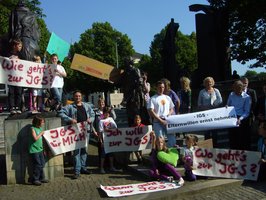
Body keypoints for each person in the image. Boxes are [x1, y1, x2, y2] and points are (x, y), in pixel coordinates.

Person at [58, 90, 95, 179]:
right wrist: (70, 119)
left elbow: (93, 114)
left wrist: (91, 119)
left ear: (81, 97)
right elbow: (60, 113)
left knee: (84, 151)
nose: (78, 97)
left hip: (86, 131)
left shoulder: (87, 106)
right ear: (73, 97)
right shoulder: (70, 107)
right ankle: (77, 171)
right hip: (75, 132)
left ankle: (83, 167)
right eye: (76, 96)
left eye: (79, 96)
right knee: (76, 152)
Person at [147, 80, 175, 148]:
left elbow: (172, 108)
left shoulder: (167, 97)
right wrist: (160, 120)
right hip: (158, 122)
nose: (161, 89)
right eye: (159, 87)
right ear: (156, 88)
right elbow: (151, 111)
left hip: (167, 121)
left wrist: (169, 114)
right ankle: (159, 154)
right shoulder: (153, 98)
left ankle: (167, 151)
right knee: (159, 140)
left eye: (162, 87)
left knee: (172, 140)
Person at [197, 76, 223, 145]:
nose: (209, 84)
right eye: (207, 82)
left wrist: (214, 104)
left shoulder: (216, 90)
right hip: (206, 115)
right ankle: (207, 151)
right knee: (207, 133)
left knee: (215, 133)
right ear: (204, 83)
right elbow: (199, 104)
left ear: (213, 83)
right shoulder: (201, 92)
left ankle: (215, 148)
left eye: (210, 82)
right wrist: (205, 108)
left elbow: (220, 101)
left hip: (214, 114)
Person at [227, 80, 251, 150]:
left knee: (241, 140)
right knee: (232, 139)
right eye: (235, 89)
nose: (237, 92)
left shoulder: (247, 97)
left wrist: (240, 119)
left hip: (241, 119)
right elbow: (228, 104)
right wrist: (226, 106)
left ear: (242, 88)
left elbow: (247, 111)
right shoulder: (231, 94)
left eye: (238, 90)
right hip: (232, 118)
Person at [94, 98, 116, 166]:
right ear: (98, 103)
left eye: (103, 102)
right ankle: (101, 164)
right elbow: (94, 123)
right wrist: (95, 131)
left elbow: (114, 118)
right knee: (101, 149)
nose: (101, 104)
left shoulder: (108, 110)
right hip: (100, 133)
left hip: (108, 134)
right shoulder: (96, 112)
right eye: (100, 102)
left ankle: (109, 164)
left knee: (109, 150)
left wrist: (112, 110)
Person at [28, 115, 49, 186]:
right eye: (42, 122)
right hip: (34, 150)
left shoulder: (40, 128)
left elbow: (41, 140)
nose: (43, 123)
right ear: (38, 122)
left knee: (42, 164)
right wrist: (41, 134)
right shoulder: (32, 128)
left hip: (40, 149)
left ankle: (41, 177)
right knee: (38, 164)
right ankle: (35, 179)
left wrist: (44, 149)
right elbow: (35, 138)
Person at [98, 106, 119, 174]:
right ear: (103, 113)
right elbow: (100, 132)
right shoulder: (101, 121)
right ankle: (101, 168)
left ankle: (112, 167)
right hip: (105, 139)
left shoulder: (111, 119)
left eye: (108, 113)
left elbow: (115, 128)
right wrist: (101, 141)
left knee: (111, 154)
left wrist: (109, 130)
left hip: (111, 139)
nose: (106, 114)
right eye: (105, 113)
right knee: (103, 154)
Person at [7, 38, 23, 114]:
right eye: (19, 46)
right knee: (11, 92)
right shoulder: (8, 54)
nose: (20, 47)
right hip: (11, 77)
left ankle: (18, 107)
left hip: (19, 77)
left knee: (19, 92)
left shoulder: (21, 55)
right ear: (15, 46)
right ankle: (12, 107)